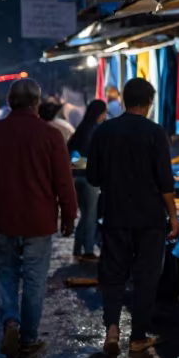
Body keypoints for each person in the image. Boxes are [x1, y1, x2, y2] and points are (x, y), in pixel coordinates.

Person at [0, 79, 77, 358]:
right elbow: (63, 180)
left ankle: (10, 320)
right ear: (37, 103)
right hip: (39, 220)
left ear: (10, 102)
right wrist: (69, 214)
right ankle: (28, 338)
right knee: (35, 279)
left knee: (7, 273)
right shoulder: (50, 135)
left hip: (3, 219)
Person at [87, 78, 179, 355]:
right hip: (150, 219)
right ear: (149, 103)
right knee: (146, 277)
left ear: (125, 100)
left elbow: (92, 176)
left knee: (114, 275)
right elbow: (166, 181)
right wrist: (173, 217)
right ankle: (138, 337)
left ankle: (112, 330)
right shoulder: (155, 132)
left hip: (115, 214)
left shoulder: (104, 131)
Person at [68, 99, 108, 260]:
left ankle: (78, 248)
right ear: (100, 114)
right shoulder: (95, 131)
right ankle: (89, 250)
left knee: (85, 214)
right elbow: (80, 160)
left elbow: (73, 159)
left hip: (77, 178)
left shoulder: (81, 130)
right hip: (89, 179)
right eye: (104, 113)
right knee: (90, 215)